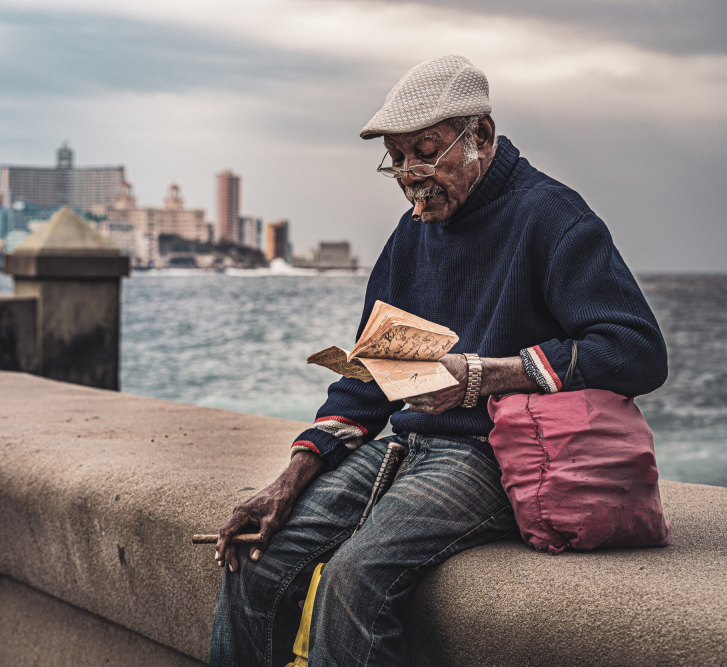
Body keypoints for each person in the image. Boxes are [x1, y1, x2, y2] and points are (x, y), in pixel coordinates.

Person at [209, 54, 667, 666]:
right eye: (395, 159)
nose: (407, 175)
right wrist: (289, 478)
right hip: (404, 446)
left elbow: (637, 351)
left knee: (354, 580)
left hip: (493, 455)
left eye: (424, 152)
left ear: (479, 135)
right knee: (254, 559)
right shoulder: (410, 235)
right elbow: (367, 381)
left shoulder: (551, 216)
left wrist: (483, 376)